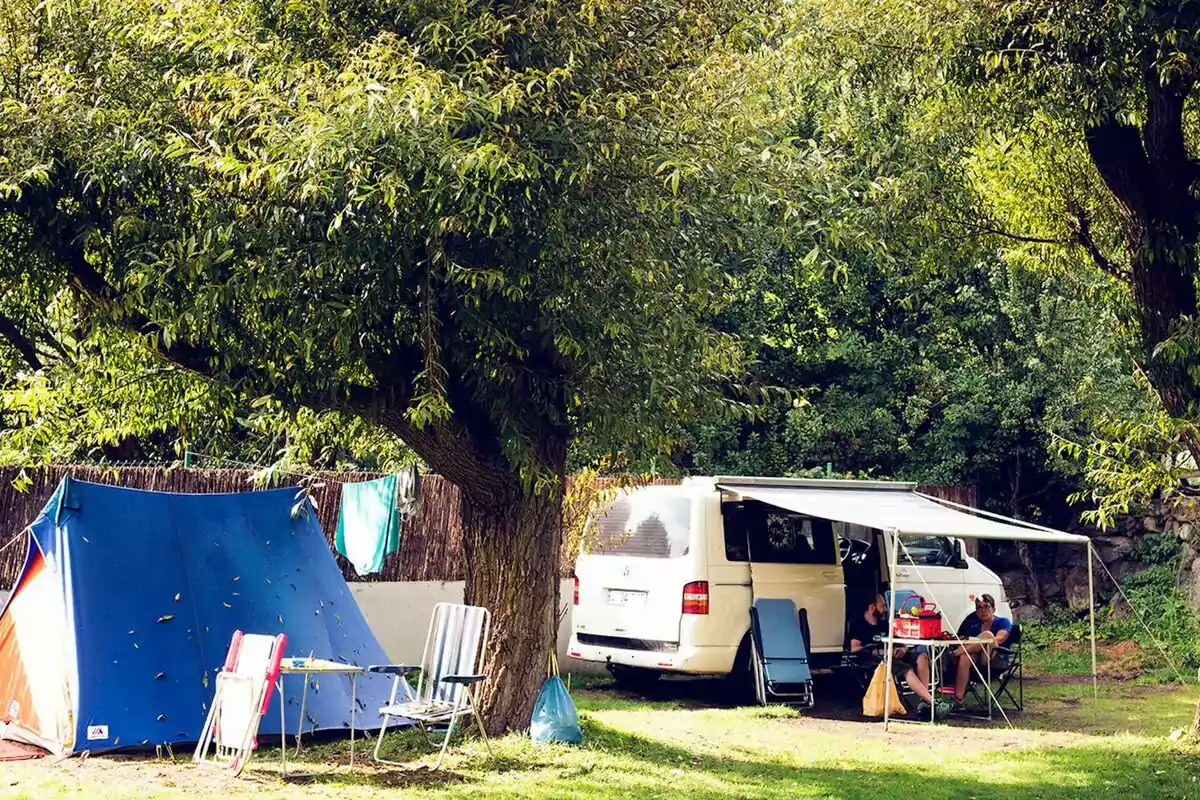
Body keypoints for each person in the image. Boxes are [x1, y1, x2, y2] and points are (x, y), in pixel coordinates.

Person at [848, 594, 936, 710]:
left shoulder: (885, 625)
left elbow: (901, 642)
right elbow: (854, 649)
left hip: (894, 653)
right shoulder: (859, 626)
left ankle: (923, 702)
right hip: (877, 659)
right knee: (906, 668)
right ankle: (931, 701)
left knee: (922, 657)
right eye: (882, 606)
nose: (885, 609)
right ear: (872, 608)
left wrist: (903, 649)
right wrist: (879, 651)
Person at [949, 593, 1012, 708]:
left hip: (996, 658)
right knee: (965, 657)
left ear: (994, 609)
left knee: (988, 635)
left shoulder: (1002, 622)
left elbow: (1000, 639)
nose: (983, 610)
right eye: (979, 607)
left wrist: (982, 639)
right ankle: (958, 699)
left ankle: (955, 654)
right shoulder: (973, 625)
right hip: (978, 659)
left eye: (986, 607)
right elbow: (965, 639)